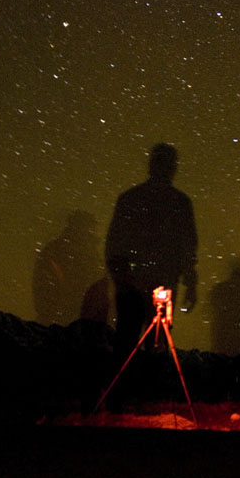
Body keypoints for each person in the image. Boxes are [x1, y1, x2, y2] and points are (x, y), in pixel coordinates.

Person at [104, 143, 198, 405]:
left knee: (126, 342)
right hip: (163, 286)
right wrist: (190, 282)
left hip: (132, 285)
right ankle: (150, 399)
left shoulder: (130, 198)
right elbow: (188, 247)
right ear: (173, 167)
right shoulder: (180, 203)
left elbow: (114, 243)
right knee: (156, 343)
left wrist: (122, 277)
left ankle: (119, 400)